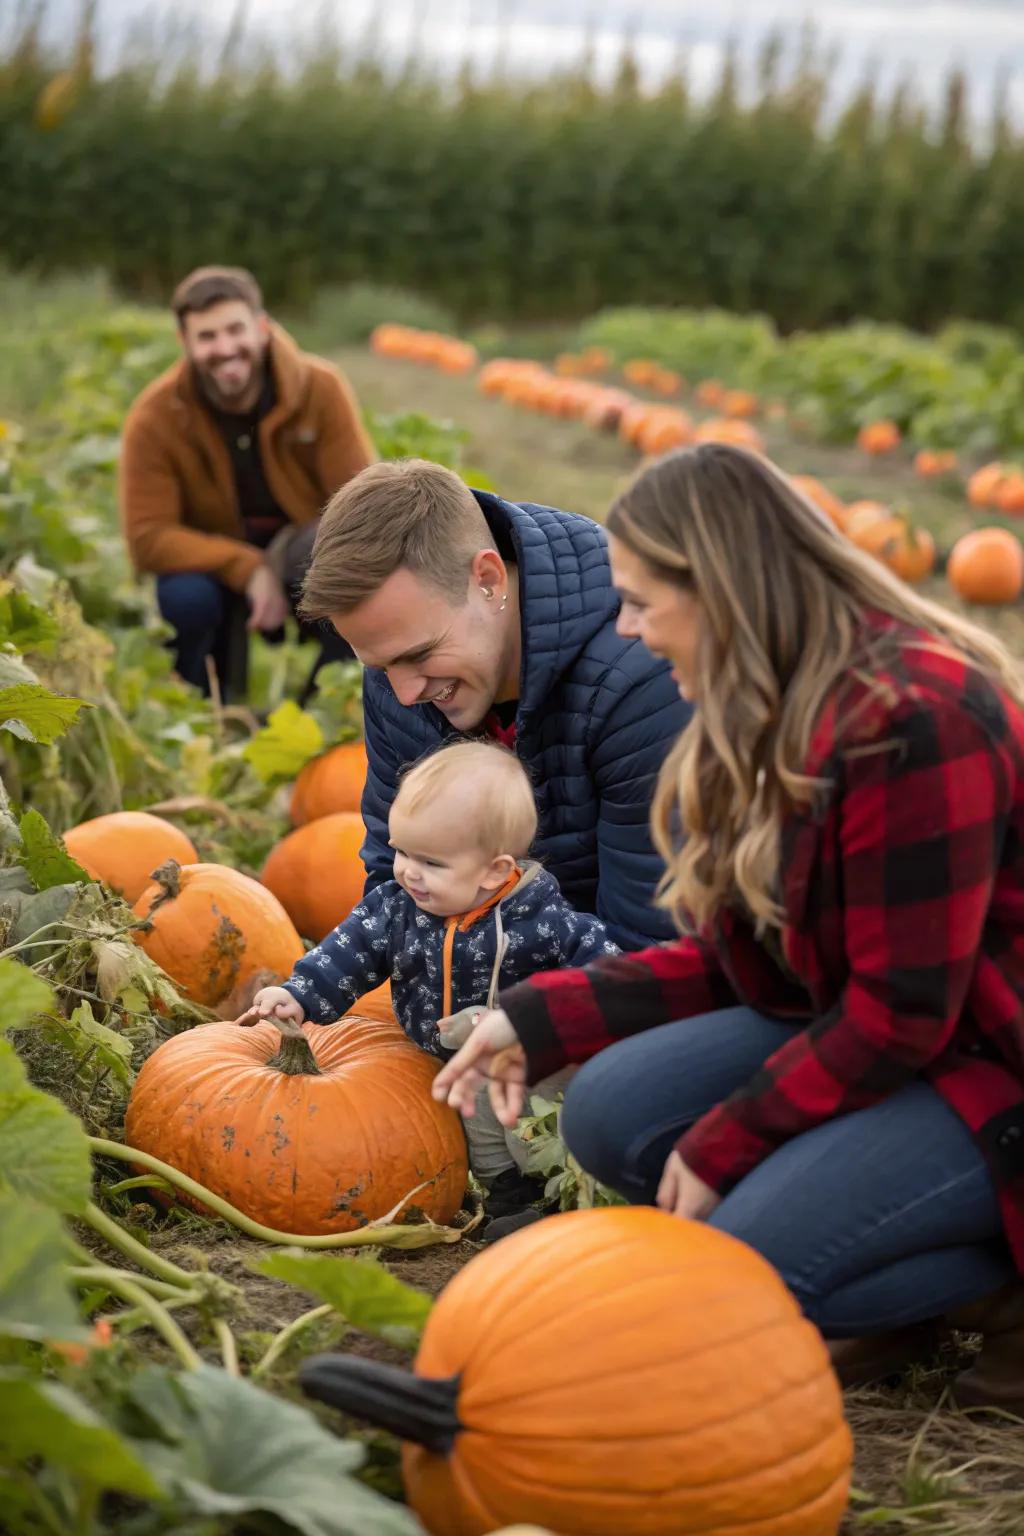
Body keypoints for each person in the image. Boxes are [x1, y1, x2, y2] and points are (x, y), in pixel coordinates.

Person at [433, 441, 1024, 1411]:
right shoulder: (768, 705)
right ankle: (885, 1274)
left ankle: (995, 1289)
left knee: (746, 1254)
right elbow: (747, 960)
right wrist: (544, 1017)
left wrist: (724, 1143)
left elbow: (901, 1012)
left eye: (642, 602)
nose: (626, 629)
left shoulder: (912, 717)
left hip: (984, 1063)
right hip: (892, 1038)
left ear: (718, 589)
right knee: (609, 1112)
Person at [298, 458, 691, 951]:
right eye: (379, 667)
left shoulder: (638, 678)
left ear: (487, 578)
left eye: (419, 655)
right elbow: (393, 882)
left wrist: (516, 1018)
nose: (401, 693)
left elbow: (646, 943)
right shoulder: (400, 669)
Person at [237, 739, 618, 1224]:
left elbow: (601, 970)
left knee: (522, 1125)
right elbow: (347, 952)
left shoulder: (542, 919)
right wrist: (299, 994)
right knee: (478, 1138)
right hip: (442, 1054)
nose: (408, 873)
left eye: (432, 863)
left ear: (494, 871)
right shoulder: (397, 907)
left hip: (520, 1058)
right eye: (402, 851)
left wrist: (557, 1025)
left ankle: (543, 1199)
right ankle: (503, 1195)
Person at [119, 265, 374, 699]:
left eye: (235, 330)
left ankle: (323, 710)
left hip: (302, 554)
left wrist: (279, 566)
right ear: (185, 343)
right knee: (185, 596)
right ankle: (205, 712)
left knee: (351, 567)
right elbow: (147, 537)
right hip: (216, 563)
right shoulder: (156, 416)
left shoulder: (320, 389)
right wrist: (248, 567)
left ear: (261, 327)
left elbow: (364, 510)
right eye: (207, 337)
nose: (225, 348)